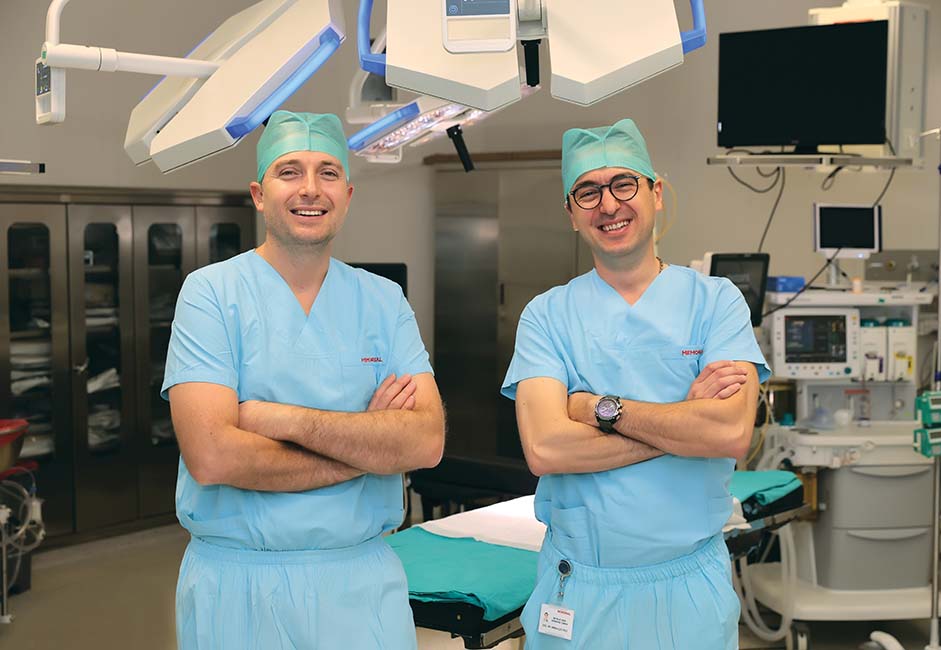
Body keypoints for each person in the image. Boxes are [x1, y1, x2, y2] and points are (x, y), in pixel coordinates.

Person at [163, 111, 445, 649]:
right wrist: (368, 449)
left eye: (328, 172)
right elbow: (213, 456)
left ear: (348, 194)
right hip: (239, 586)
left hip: (361, 584)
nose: (310, 189)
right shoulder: (211, 294)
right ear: (258, 194)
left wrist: (276, 419)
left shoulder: (383, 300)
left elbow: (426, 441)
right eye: (289, 171)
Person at [501, 118, 770, 649]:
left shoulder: (717, 302)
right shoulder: (546, 316)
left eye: (624, 184)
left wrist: (594, 408)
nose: (608, 205)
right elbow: (546, 448)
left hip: (688, 586)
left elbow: (730, 434)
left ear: (656, 193)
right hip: (581, 587)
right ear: (571, 213)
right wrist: (683, 422)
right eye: (588, 192)